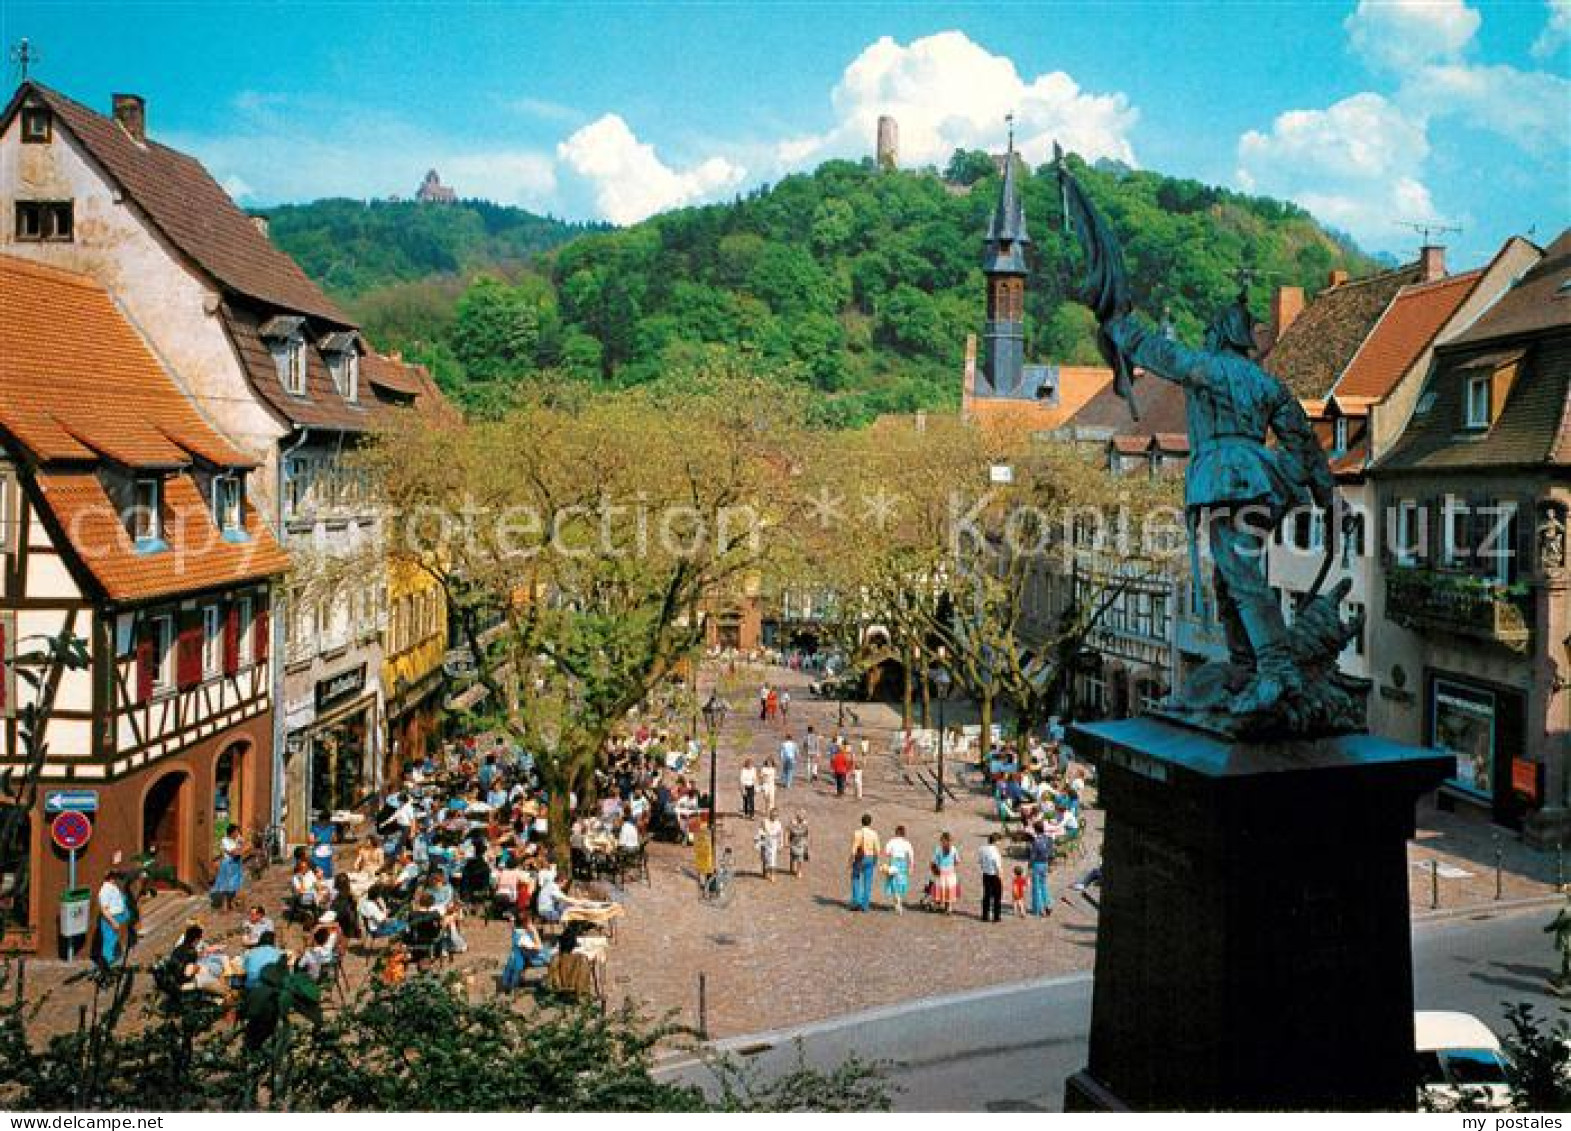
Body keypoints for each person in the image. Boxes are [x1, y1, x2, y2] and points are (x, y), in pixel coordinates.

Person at [500, 910, 553, 991]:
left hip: (524, 956)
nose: (532, 923)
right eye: (530, 921)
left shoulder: (518, 931)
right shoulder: (523, 937)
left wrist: (511, 918)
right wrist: (534, 932)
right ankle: (551, 981)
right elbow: (539, 947)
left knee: (550, 951)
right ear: (526, 923)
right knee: (554, 959)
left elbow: (513, 923)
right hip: (530, 958)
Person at [95, 870, 129, 971]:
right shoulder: (104, 891)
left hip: (117, 917)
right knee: (108, 944)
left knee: (112, 942)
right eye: (115, 877)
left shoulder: (112, 887)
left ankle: (108, 965)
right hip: (110, 920)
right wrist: (113, 922)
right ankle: (105, 967)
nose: (117, 879)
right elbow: (104, 910)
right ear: (111, 878)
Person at [849, 814, 880, 912]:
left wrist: (850, 859)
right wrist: (876, 859)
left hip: (859, 858)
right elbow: (878, 849)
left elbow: (854, 848)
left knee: (855, 879)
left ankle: (856, 902)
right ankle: (865, 905)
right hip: (870, 857)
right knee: (867, 882)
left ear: (861, 822)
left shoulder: (857, 833)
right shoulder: (874, 834)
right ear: (870, 822)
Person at [211, 823, 246, 911]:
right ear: (231, 833)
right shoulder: (225, 840)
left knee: (236, 885)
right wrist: (239, 848)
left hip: (237, 864)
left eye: (238, 832)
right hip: (228, 865)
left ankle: (232, 903)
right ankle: (225, 904)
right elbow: (232, 853)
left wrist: (239, 848)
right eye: (236, 832)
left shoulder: (238, 839)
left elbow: (242, 849)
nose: (238, 834)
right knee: (225, 885)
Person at [882, 824, 914, 914]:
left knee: (894, 883)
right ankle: (898, 902)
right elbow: (911, 855)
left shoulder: (891, 841)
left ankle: (898, 904)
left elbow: (887, 852)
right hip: (903, 863)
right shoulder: (907, 843)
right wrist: (911, 867)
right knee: (901, 883)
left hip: (894, 862)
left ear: (896, 832)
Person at [1028, 821, 1054, 918]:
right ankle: (1048, 905)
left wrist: (1029, 867)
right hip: (1045, 864)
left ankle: (1038, 909)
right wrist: (1050, 864)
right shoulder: (1049, 839)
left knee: (1036, 887)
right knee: (1044, 886)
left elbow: (1032, 856)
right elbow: (1051, 853)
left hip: (1037, 864)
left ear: (1035, 830)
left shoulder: (1035, 841)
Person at [931, 832, 961, 914]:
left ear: (941, 840)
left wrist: (935, 869)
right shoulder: (954, 849)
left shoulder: (938, 849)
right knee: (949, 890)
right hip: (950, 872)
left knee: (940, 889)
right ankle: (948, 908)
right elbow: (957, 861)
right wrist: (952, 867)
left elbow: (933, 862)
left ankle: (937, 905)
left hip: (941, 872)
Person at [978, 834, 1004, 923]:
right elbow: (998, 866)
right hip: (994, 875)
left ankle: (985, 916)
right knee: (997, 897)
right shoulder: (995, 852)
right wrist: (1001, 877)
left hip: (985, 874)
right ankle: (996, 917)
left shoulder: (982, 849)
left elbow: (980, 861)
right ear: (996, 841)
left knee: (986, 895)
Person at [756, 809, 784, 881]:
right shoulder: (765, 821)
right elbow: (760, 831)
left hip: (773, 842)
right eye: (773, 815)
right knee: (765, 858)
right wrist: (759, 841)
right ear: (770, 814)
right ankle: (765, 872)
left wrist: (780, 844)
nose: (774, 816)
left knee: (773, 859)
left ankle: (772, 875)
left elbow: (780, 834)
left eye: (776, 815)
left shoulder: (778, 823)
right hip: (765, 841)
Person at [787, 811, 810, 877]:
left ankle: (799, 870)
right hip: (793, 841)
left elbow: (807, 832)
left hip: (801, 841)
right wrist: (786, 841)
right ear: (797, 816)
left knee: (800, 856)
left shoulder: (806, 823)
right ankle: (792, 865)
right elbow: (787, 830)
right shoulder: (793, 822)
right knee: (793, 855)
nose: (801, 817)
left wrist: (807, 841)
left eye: (803, 815)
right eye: (800, 815)